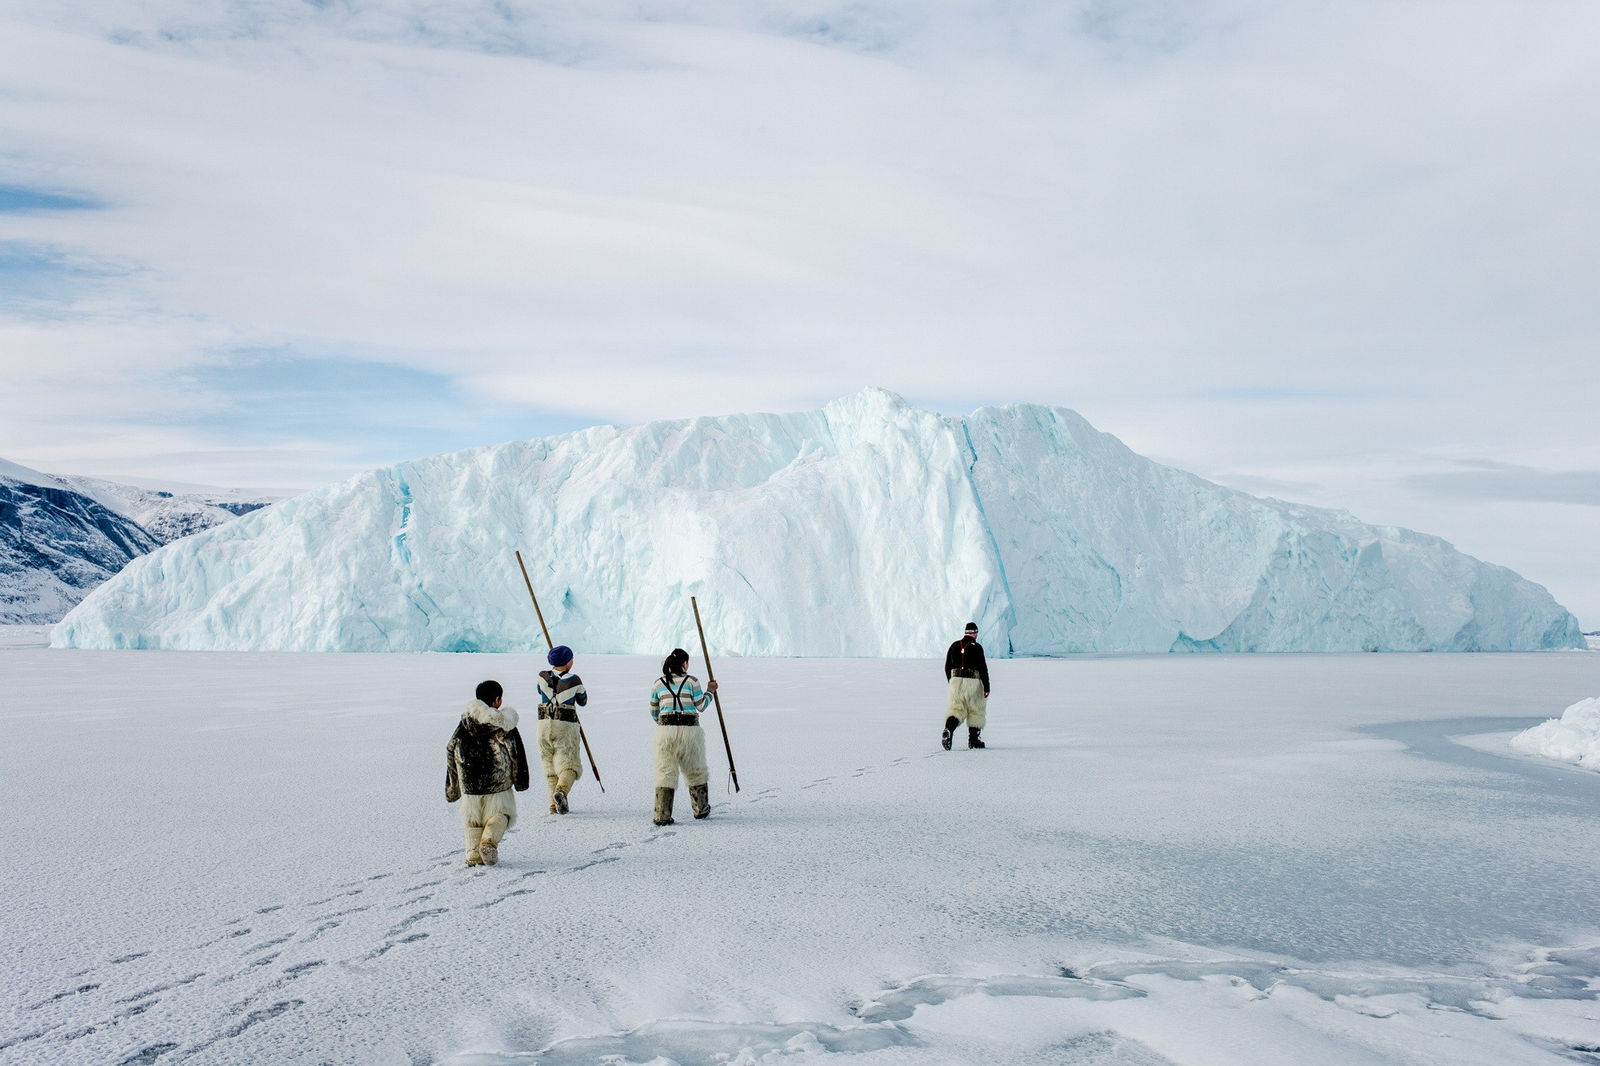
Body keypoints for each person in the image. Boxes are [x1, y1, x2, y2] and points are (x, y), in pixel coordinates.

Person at [445, 679, 530, 866]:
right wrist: (521, 781)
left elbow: (450, 749)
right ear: (497, 700)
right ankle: (488, 842)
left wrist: (453, 787)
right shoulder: (504, 725)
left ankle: (473, 856)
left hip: (469, 785)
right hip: (497, 784)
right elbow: (516, 753)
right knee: (502, 814)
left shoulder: (464, 724)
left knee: (473, 821)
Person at [648, 648, 718, 825]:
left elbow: (654, 711)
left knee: (665, 771)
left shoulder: (658, 683)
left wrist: (665, 723)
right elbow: (701, 705)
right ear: (684, 664)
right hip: (690, 732)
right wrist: (711, 691)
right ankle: (701, 809)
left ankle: (662, 814)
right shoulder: (692, 681)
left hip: (665, 733)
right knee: (695, 770)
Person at [536, 645, 587, 814]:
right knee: (569, 765)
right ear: (567, 662)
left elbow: (539, 690)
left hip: (543, 724)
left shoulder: (542, 676)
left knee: (549, 765)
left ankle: (553, 805)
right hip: (565, 726)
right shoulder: (574, 679)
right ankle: (561, 791)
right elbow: (583, 700)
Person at [942, 621, 989, 750]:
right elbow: (983, 668)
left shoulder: (954, 646)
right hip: (973, 682)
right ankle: (974, 740)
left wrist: (952, 682)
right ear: (975, 633)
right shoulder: (977, 647)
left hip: (956, 682)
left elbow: (947, 667)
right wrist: (986, 687)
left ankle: (949, 729)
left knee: (956, 709)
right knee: (976, 710)